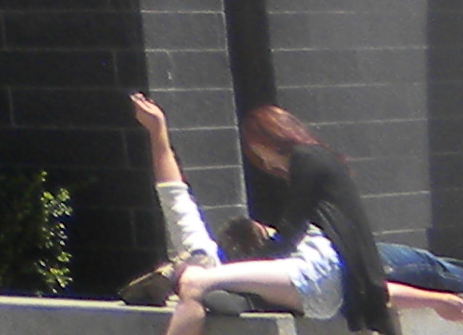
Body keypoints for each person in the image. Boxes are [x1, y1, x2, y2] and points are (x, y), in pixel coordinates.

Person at [129, 93, 463, 333]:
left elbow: (173, 192)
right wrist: (438, 300)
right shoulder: (211, 258)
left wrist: (158, 132)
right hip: (334, 272)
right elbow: (357, 277)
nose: (264, 163)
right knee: (429, 267)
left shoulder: (206, 254)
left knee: (432, 268)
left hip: (330, 283)